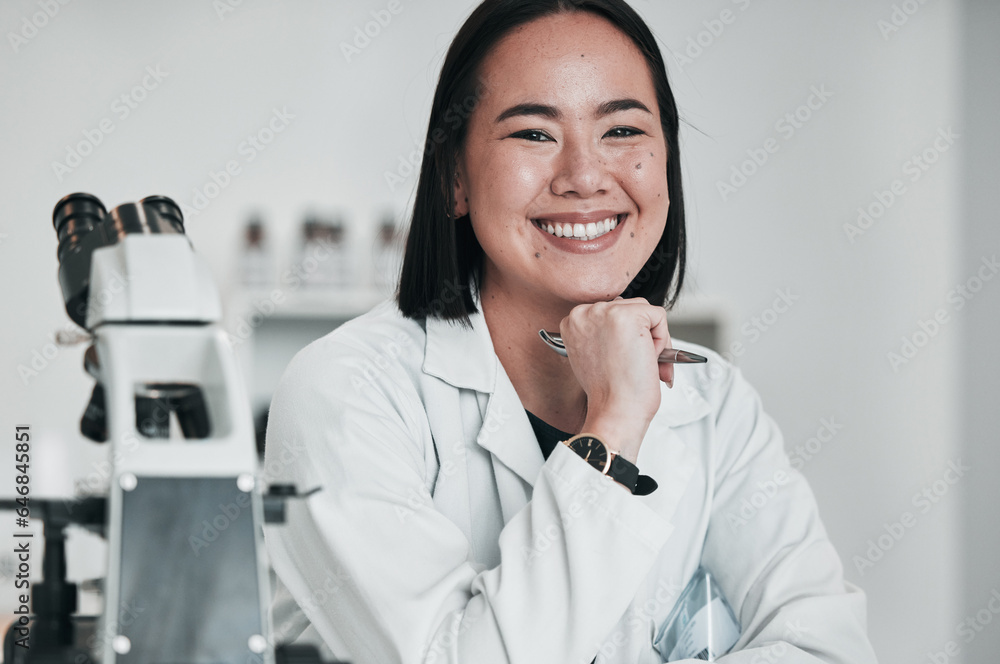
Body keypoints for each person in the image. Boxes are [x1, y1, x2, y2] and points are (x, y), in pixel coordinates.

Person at [263, 1, 878, 662]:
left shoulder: (715, 404)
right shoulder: (348, 393)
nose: (585, 176)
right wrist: (613, 425)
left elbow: (825, 643)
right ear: (454, 179)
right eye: (534, 133)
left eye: (622, 131)